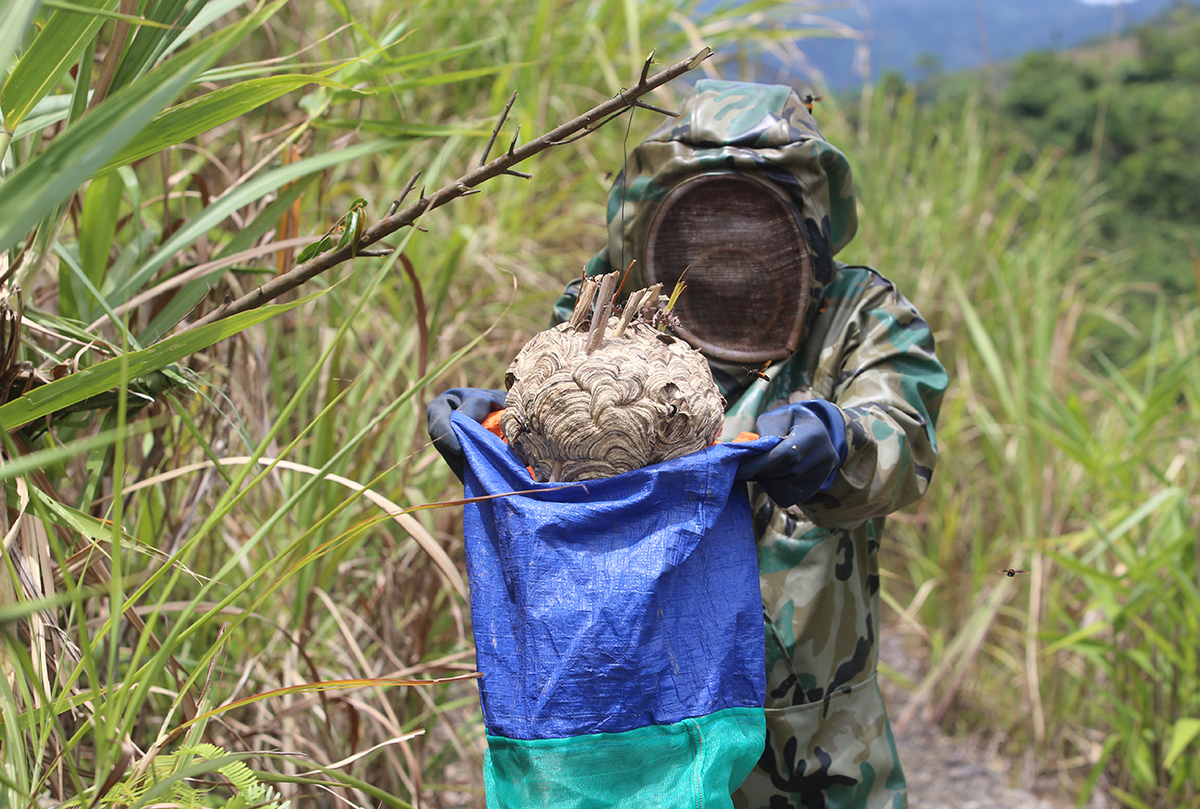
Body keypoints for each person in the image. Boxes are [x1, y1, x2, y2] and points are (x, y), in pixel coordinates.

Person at [429, 79, 948, 809]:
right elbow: (564, 474)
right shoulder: (610, 314)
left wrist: (834, 440)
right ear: (653, 220)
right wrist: (493, 434)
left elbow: (902, 438)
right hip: (643, 725)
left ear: (809, 223)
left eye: (756, 217)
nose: (732, 251)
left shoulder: (857, 318)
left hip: (811, 737)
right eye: (707, 218)